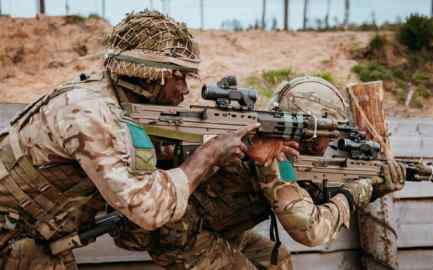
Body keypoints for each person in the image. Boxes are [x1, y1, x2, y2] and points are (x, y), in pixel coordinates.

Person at [0, 11, 259, 270]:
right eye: (177, 76)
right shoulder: (89, 112)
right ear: (149, 75)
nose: (184, 88)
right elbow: (148, 211)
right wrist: (209, 155)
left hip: (34, 235)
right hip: (13, 238)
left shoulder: (114, 100)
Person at [115, 76, 405, 269]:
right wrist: (358, 192)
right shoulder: (271, 152)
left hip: (209, 226)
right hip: (179, 236)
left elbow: (299, 190)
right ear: (311, 131)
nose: (330, 142)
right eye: (329, 132)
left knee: (276, 259)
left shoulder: (270, 141)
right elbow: (311, 229)